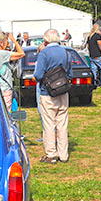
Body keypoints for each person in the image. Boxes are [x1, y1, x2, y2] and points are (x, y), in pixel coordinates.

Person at [34, 29, 70, 164]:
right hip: (63, 91)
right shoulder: (66, 52)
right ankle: (64, 154)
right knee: (62, 123)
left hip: (47, 92)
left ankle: (51, 154)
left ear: (45, 40)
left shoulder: (44, 53)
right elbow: (70, 72)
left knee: (49, 124)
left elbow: (38, 75)